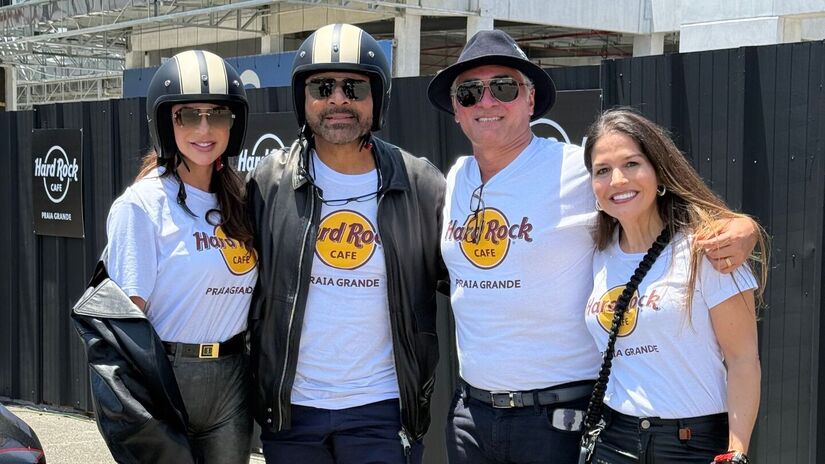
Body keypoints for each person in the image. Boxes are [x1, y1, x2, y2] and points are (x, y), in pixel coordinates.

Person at [426, 29, 758, 464]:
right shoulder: (454, 180)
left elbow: (650, 193)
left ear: (530, 99)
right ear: (456, 109)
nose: (486, 102)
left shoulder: (578, 170)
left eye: (503, 87)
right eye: (469, 92)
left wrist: (743, 225)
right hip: (471, 416)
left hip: (557, 419)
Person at [246, 23, 446, 464]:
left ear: (377, 98)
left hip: (383, 410)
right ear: (303, 98)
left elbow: (472, 283)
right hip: (292, 412)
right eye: (322, 87)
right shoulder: (269, 182)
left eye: (354, 87)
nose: (338, 99)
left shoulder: (420, 184)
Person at [582, 108, 766, 464]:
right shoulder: (597, 253)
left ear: (658, 171)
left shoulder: (708, 248)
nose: (618, 180)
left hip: (691, 444)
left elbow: (743, 360)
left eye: (632, 163)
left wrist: (737, 451)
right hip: (612, 439)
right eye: (602, 170)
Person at [102, 49, 257, 463]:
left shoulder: (241, 201)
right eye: (188, 115)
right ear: (165, 122)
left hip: (231, 378)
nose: (204, 128)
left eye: (217, 114)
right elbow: (125, 325)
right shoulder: (142, 204)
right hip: (166, 378)